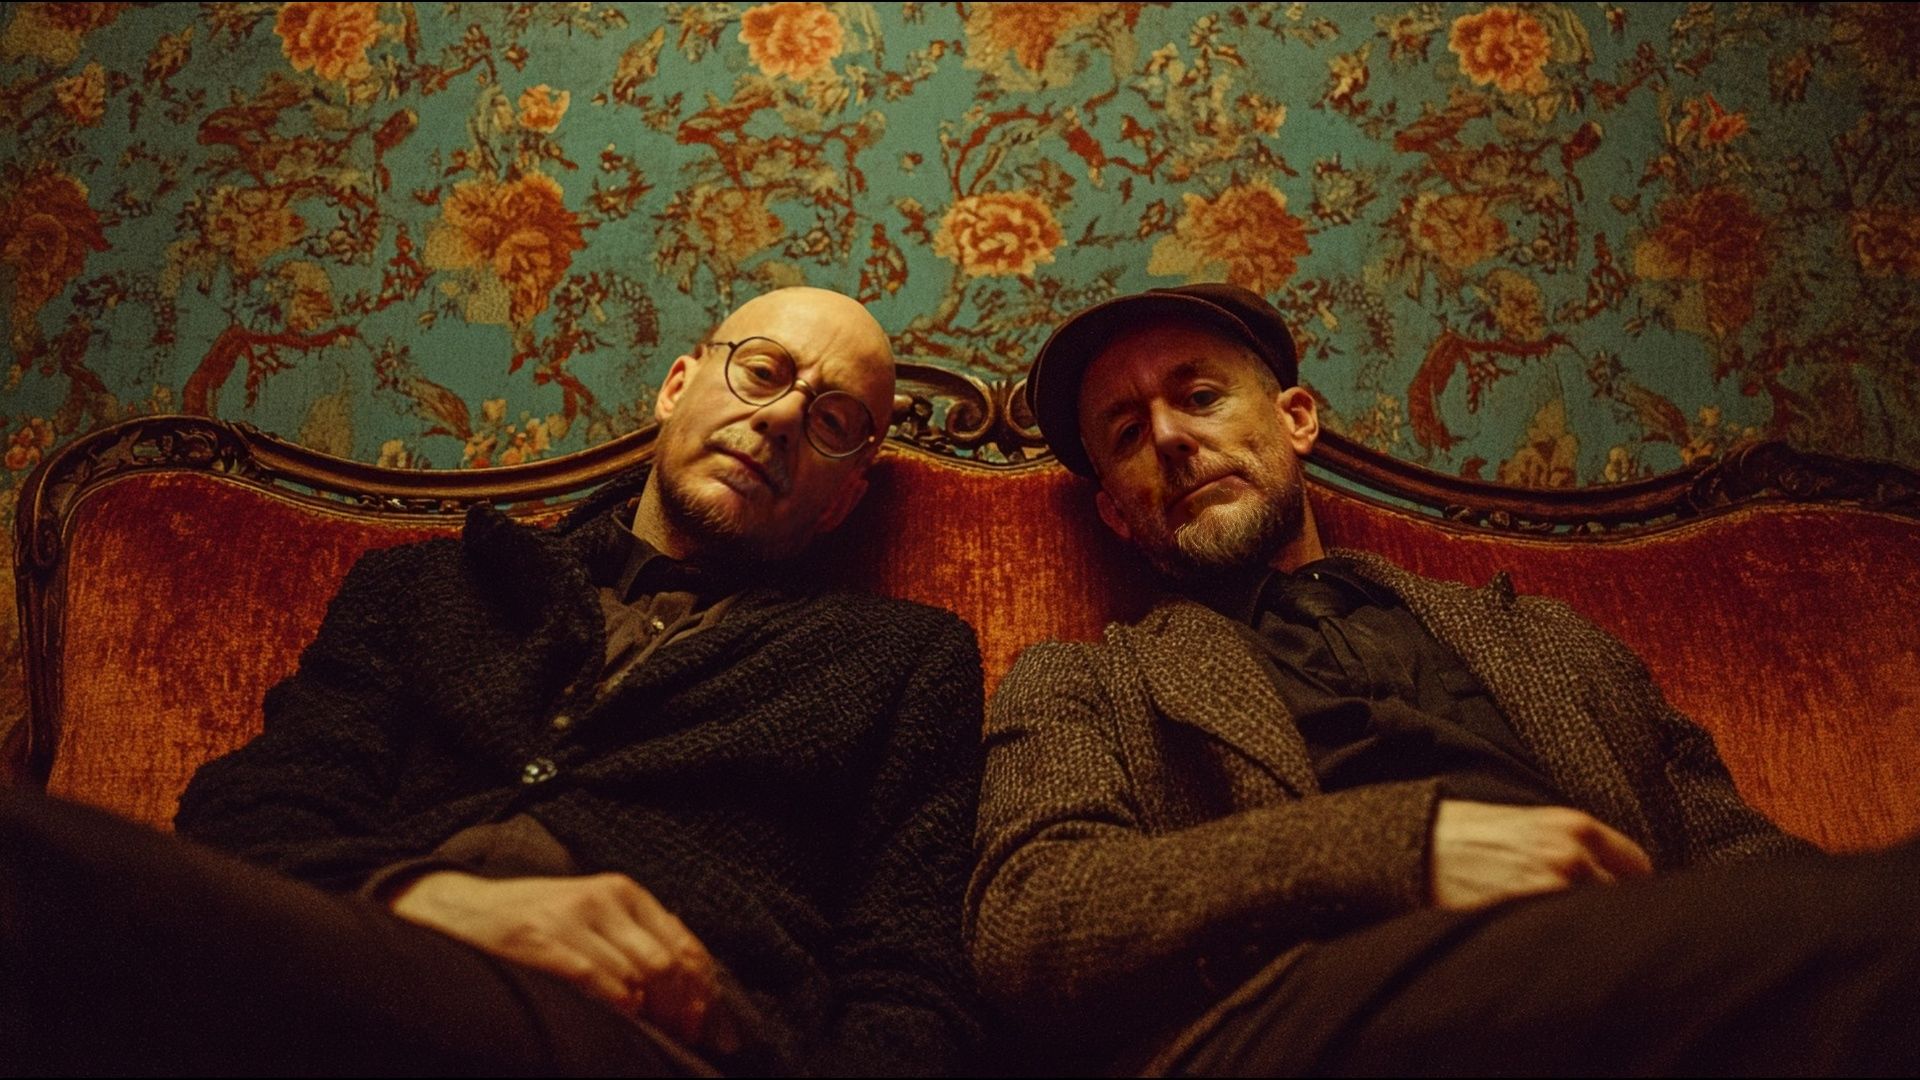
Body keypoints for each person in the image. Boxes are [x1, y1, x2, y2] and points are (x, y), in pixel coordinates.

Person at [2, 286, 985, 1076]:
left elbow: (909, 995)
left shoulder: (901, 661)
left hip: (650, 1035)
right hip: (348, 964)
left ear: (844, 499)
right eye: (763, 371)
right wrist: (421, 898)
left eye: (833, 420)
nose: (780, 418)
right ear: (677, 386)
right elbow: (251, 810)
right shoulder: (429, 587)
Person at [965, 283, 1920, 1076]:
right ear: (1116, 514)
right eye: (1128, 433)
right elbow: (1032, 918)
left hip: (1642, 976)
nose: (1171, 436)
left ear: (1297, 420)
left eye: (1201, 396)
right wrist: (1402, 849)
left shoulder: (1550, 641)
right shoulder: (1086, 682)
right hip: (1304, 1016)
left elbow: (1750, 868)